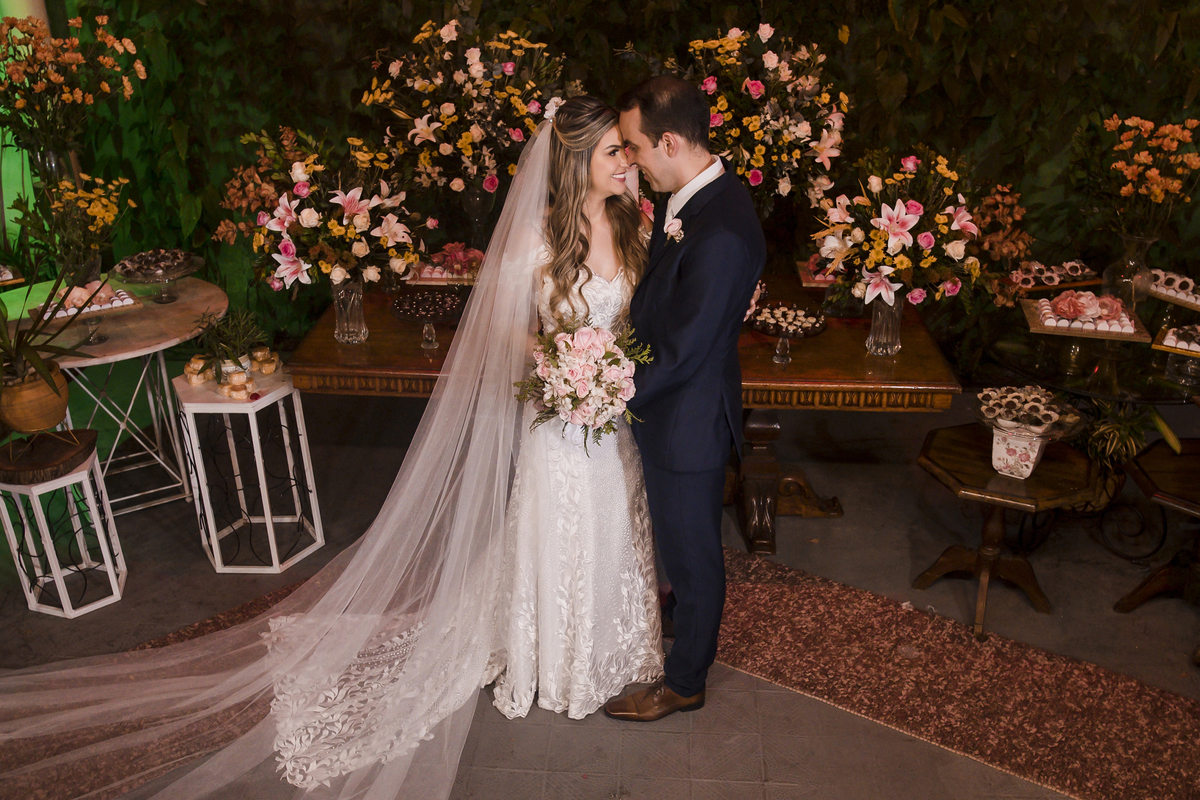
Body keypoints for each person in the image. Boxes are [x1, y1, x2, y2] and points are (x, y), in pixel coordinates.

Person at [0, 97, 658, 800]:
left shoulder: (630, 221)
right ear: (575, 159)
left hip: (610, 419)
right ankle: (552, 660)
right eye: (615, 150)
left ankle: (608, 648)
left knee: (613, 525)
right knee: (558, 530)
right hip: (556, 422)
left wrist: (607, 372)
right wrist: (558, 366)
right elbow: (499, 332)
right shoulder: (536, 239)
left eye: (628, 148)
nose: (629, 161)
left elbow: (640, 316)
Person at [604, 75, 766, 722]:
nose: (631, 160)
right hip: (672, 409)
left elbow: (684, 351)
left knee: (693, 554)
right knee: (676, 543)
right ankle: (672, 631)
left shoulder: (720, 228)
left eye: (636, 147)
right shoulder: (699, 198)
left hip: (688, 421)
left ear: (669, 141)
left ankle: (685, 680)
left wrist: (602, 391)